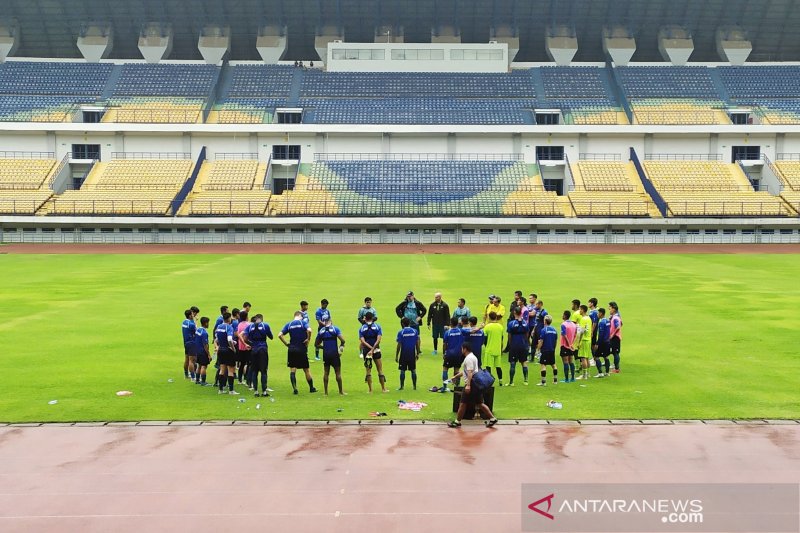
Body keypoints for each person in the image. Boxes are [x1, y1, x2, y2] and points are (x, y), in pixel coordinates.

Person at [448, 343, 498, 428]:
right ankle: (492, 418)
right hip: (475, 384)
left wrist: (468, 385)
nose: (461, 350)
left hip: (472, 384)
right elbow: (467, 371)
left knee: (463, 403)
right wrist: (456, 376)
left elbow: (470, 372)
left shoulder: (469, 359)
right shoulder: (473, 357)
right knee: (480, 403)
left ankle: (457, 422)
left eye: (462, 348)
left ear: (465, 349)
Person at [279, 311, 317, 395]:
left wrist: (286, 343)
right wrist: (308, 339)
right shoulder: (303, 323)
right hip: (301, 349)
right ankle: (311, 388)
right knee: (306, 370)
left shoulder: (289, 324)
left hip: (292, 349)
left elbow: (280, 335)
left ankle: (295, 389)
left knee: (293, 369)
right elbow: (309, 330)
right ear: (299, 316)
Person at [243, 314, 273, 396]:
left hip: (254, 350)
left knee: (254, 371)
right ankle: (264, 391)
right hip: (262, 349)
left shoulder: (250, 326)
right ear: (262, 319)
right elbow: (271, 337)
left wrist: (251, 343)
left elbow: (244, 338)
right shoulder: (265, 325)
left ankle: (256, 391)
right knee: (263, 371)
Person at [315, 319, 346, 396]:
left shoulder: (321, 331)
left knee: (326, 373)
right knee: (338, 373)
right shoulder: (335, 329)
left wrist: (324, 347)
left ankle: (326, 393)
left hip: (326, 354)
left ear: (324, 323)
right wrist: (341, 345)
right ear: (331, 322)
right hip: (334, 354)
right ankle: (341, 392)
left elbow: (316, 344)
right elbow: (343, 340)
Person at [359, 312, 387, 393]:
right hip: (376, 350)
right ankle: (383, 389)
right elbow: (378, 340)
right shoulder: (377, 326)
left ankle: (370, 390)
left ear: (365, 318)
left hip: (366, 351)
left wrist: (370, 349)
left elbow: (362, 341)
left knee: (368, 371)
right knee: (380, 370)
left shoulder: (362, 328)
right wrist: (373, 349)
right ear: (372, 318)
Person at [214, 312, 239, 395]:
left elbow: (216, 339)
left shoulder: (219, 327)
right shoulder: (229, 327)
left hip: (221, 349)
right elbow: (229, 339)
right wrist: (233, 347)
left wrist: (232, 342)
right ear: (229, 319)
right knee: (231, 370)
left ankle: (220, 390)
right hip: (228, 350)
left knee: (222, 369)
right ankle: (231, 390)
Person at [506, 307, 530, 386]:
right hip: (523, 345)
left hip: (514, 345)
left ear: (515, 313)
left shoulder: (511, 323)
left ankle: (511, 382)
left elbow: (509, 336)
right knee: (524, 362)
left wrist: (510, 344)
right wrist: (525, 342)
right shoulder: (525, 323)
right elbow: (527, 334)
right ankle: (526, 380)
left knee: (513, 363)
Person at [395, 317, 420, 391]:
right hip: (412, 353)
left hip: (404, 353)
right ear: (409, 323)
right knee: (413, 370)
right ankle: (414, 386)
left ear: (402, 324)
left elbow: (399, 345)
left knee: (402, 370)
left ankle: (401, 386)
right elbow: (417, 343)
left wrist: (396, 355)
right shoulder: (415, 331)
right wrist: (417, 353)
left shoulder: (401, 332)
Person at [441, 317, 464, 391]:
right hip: (458, 354)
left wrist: (444, 353)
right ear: (457, 323)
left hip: (449, 354)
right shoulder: (461, 331)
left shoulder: (447, 332)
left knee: (445, 368)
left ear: (450, 323)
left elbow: (444, 344)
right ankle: (457, 387)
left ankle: (444, 386)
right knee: (457, 370)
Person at [483, 311, 505, 386]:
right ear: (496, 317)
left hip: (489, 349)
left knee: (488, 366)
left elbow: (484, 339)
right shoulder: (500, 327)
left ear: (489, 317)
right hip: (497, 350)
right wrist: (501, 349)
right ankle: (501, 380)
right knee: (498, 366)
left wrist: (486, 346)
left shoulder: (487, 327)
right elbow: (502, 338)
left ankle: (489, 381)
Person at [536, 315, 559, 386]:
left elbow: (541, 341)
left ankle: (543, 382)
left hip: (545, 350)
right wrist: (554, 348)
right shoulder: (554, 330)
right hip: (552, 349)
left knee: (543, 365)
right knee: (553, 364)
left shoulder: (543, 330)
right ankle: (555, 380)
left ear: (545, 321)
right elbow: (555, 341)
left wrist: (538, 349)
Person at [575, 305, 593, 380]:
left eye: (580, 309)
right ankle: (588, 374)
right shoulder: (589, 318)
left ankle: (584, 375)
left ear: (583, 310)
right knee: (587, 357)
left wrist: (578, 342)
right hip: (588, 339)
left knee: (583, 358)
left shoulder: (583, 319)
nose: (579, 311)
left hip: (584, 340)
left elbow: (582, 331)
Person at [560, 310, 577, 383]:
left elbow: (564, 335)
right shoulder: (574, 324)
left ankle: (566, 379)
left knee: (565, 362)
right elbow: (576, 335)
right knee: (571, 361)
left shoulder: (563, 324)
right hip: (572, 346)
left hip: (565, 345)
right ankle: (573, 378)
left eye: (563, 314)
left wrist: (569, 344)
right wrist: (573, 344)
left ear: (565, 316)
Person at [593, 308, 611, 378]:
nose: (597, 314)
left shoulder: (601, 322)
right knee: (606, 357)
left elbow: (601, 334)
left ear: (601, 313)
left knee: (596, 357)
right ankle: (607, 372)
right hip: (607, 341)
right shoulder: (608, 321)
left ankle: (600, 373)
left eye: (598, 313)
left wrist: (597, 344)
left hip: (602, 343)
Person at [193, 317, 211, 386]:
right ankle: (203, 381)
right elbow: (205, 345)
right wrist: (208, 354)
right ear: (206, 323)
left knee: (199, 365)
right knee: (204, 366)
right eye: (208, 323)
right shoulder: (204, 333)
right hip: (202, 351)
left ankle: (197, 380)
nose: (208, 324)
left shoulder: (198, 330)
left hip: (197, 350)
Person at [236, 310, 251, 387]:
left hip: (240, 346)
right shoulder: (249, 324)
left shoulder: (239, 325)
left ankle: (239, 379)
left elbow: (238, 335)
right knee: (248, 363)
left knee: (241, 363)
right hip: (247, 346)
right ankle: (247, 378)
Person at [181, 309, 197, 380]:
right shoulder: (191, 324)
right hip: (191, 342)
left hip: (186, 342)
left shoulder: (184, 322)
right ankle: (193, 377)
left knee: (186, 359)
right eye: (192, 314)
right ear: (190, 315)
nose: (193, 315)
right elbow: (196, 332)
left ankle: (186, 374)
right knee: (192, 360)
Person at [608, 301, 623, 373]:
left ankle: (617, 369)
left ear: (613, 309)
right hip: (615, 337)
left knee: (615, 353)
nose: (609, 309)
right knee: (614, 352)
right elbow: (621, 324)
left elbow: (618, 327)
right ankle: (616, 367)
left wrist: (612, 334)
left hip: (615, 337)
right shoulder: (615, 317)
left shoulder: (615, 318)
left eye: (610, 308)